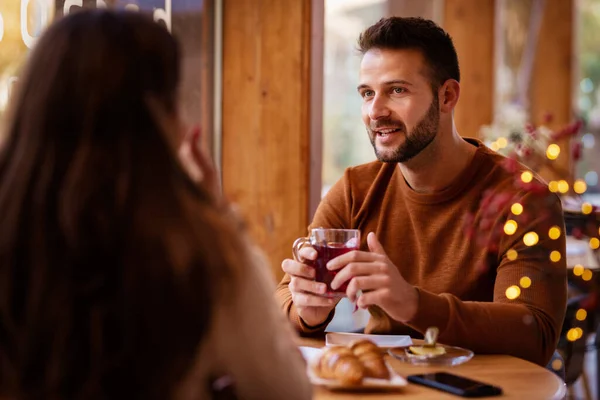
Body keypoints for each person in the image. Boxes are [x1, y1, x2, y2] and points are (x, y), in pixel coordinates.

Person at [0, 10, 311, 399]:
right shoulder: (196, 253)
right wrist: (221, 220)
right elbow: (286, 389)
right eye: (175, 102)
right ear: (155, 120)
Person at [276, 16, 567, 367]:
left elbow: (534, 333)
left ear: (447, 96)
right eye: (367, 93)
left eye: (397, 90)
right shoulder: (356, 189)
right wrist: (306, 310)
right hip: (382, 388)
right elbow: (284, 298)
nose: (375, 111)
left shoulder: (523, 199)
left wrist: (414, 305)